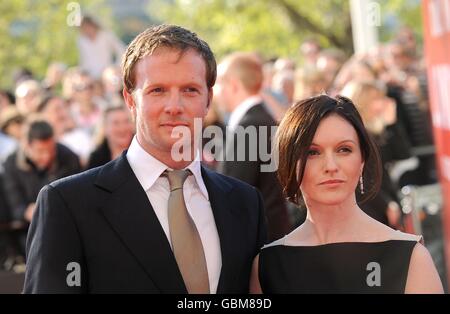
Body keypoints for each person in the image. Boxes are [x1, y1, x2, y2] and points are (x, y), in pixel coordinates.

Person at [24, 24, 267, 293]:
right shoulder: (68, 204)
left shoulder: (246, 204)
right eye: (158, 90)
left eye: (189, 90)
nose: (174, 106)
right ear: (130, 99)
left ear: (208, 99)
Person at [250, 95, 443, 293]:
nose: (331, 166)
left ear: (362, 160)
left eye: (344, 149)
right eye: (312, 152)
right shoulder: (268, 266)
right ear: (290, 162)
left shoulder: (409, 258)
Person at [215, 52, 292, 242]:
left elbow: (232, 190)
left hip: (260, 243)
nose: (215, 91)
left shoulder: (250, 125)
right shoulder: (260, 119)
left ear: (233, 85)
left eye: (218, 83)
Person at [3, 119, 81, 255]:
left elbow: (78, 198)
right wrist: (32, 211)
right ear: (27, 146)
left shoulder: (68, 157)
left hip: (65, 226)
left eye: (51, 150)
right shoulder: (11, 164)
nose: (46, 156)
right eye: (40, 151)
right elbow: (15, 206)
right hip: (27, 231)